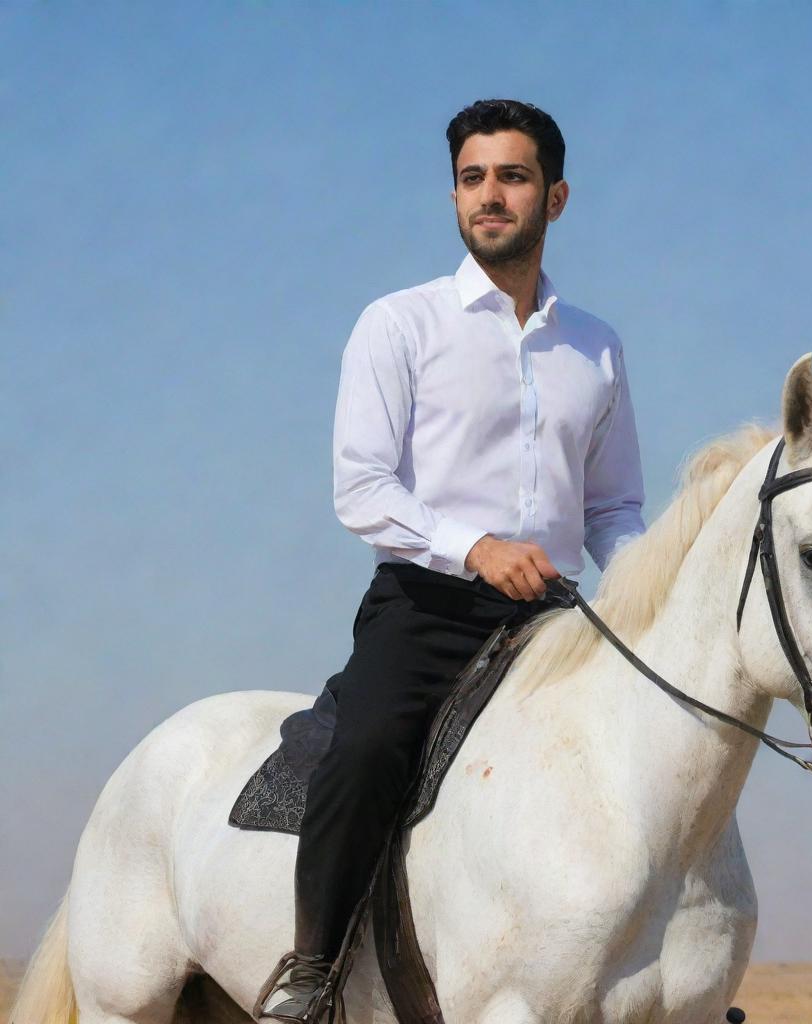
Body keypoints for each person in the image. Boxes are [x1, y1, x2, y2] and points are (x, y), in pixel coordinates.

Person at [257, 97, 646, 1023]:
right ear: (455, 196)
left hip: (554, 615)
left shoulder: (596, 346)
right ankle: (311, 972)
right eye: (472, 178)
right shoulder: (399, 325)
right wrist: (474, 546)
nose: (489, 196)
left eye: (512, 177)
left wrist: (640, 589)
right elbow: (362, 486)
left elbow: (615, 507)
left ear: (555, 197)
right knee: (365, 751)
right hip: (426, 607)